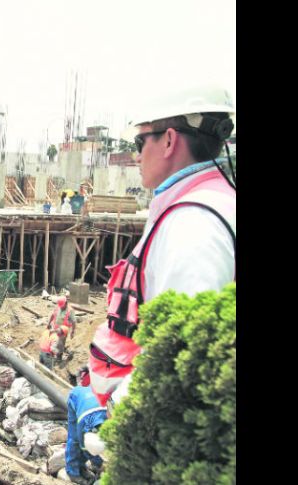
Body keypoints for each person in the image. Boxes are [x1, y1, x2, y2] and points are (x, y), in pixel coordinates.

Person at [88, 85, 236, 406]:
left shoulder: (193, 224)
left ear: (169, 140)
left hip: (141, 417)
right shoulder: (207, 202)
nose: (137, 155)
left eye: (140, 142)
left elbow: (182, 354)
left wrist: (117, 412)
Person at [66, 367, 107, 485]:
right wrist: (98, 463)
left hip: (93, 402)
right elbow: (83, 445)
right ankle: (73, 472)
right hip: (75, 398)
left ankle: (81, 466)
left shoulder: (107, 417)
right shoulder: (83, 424)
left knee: (89, 445)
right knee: (75, 440)